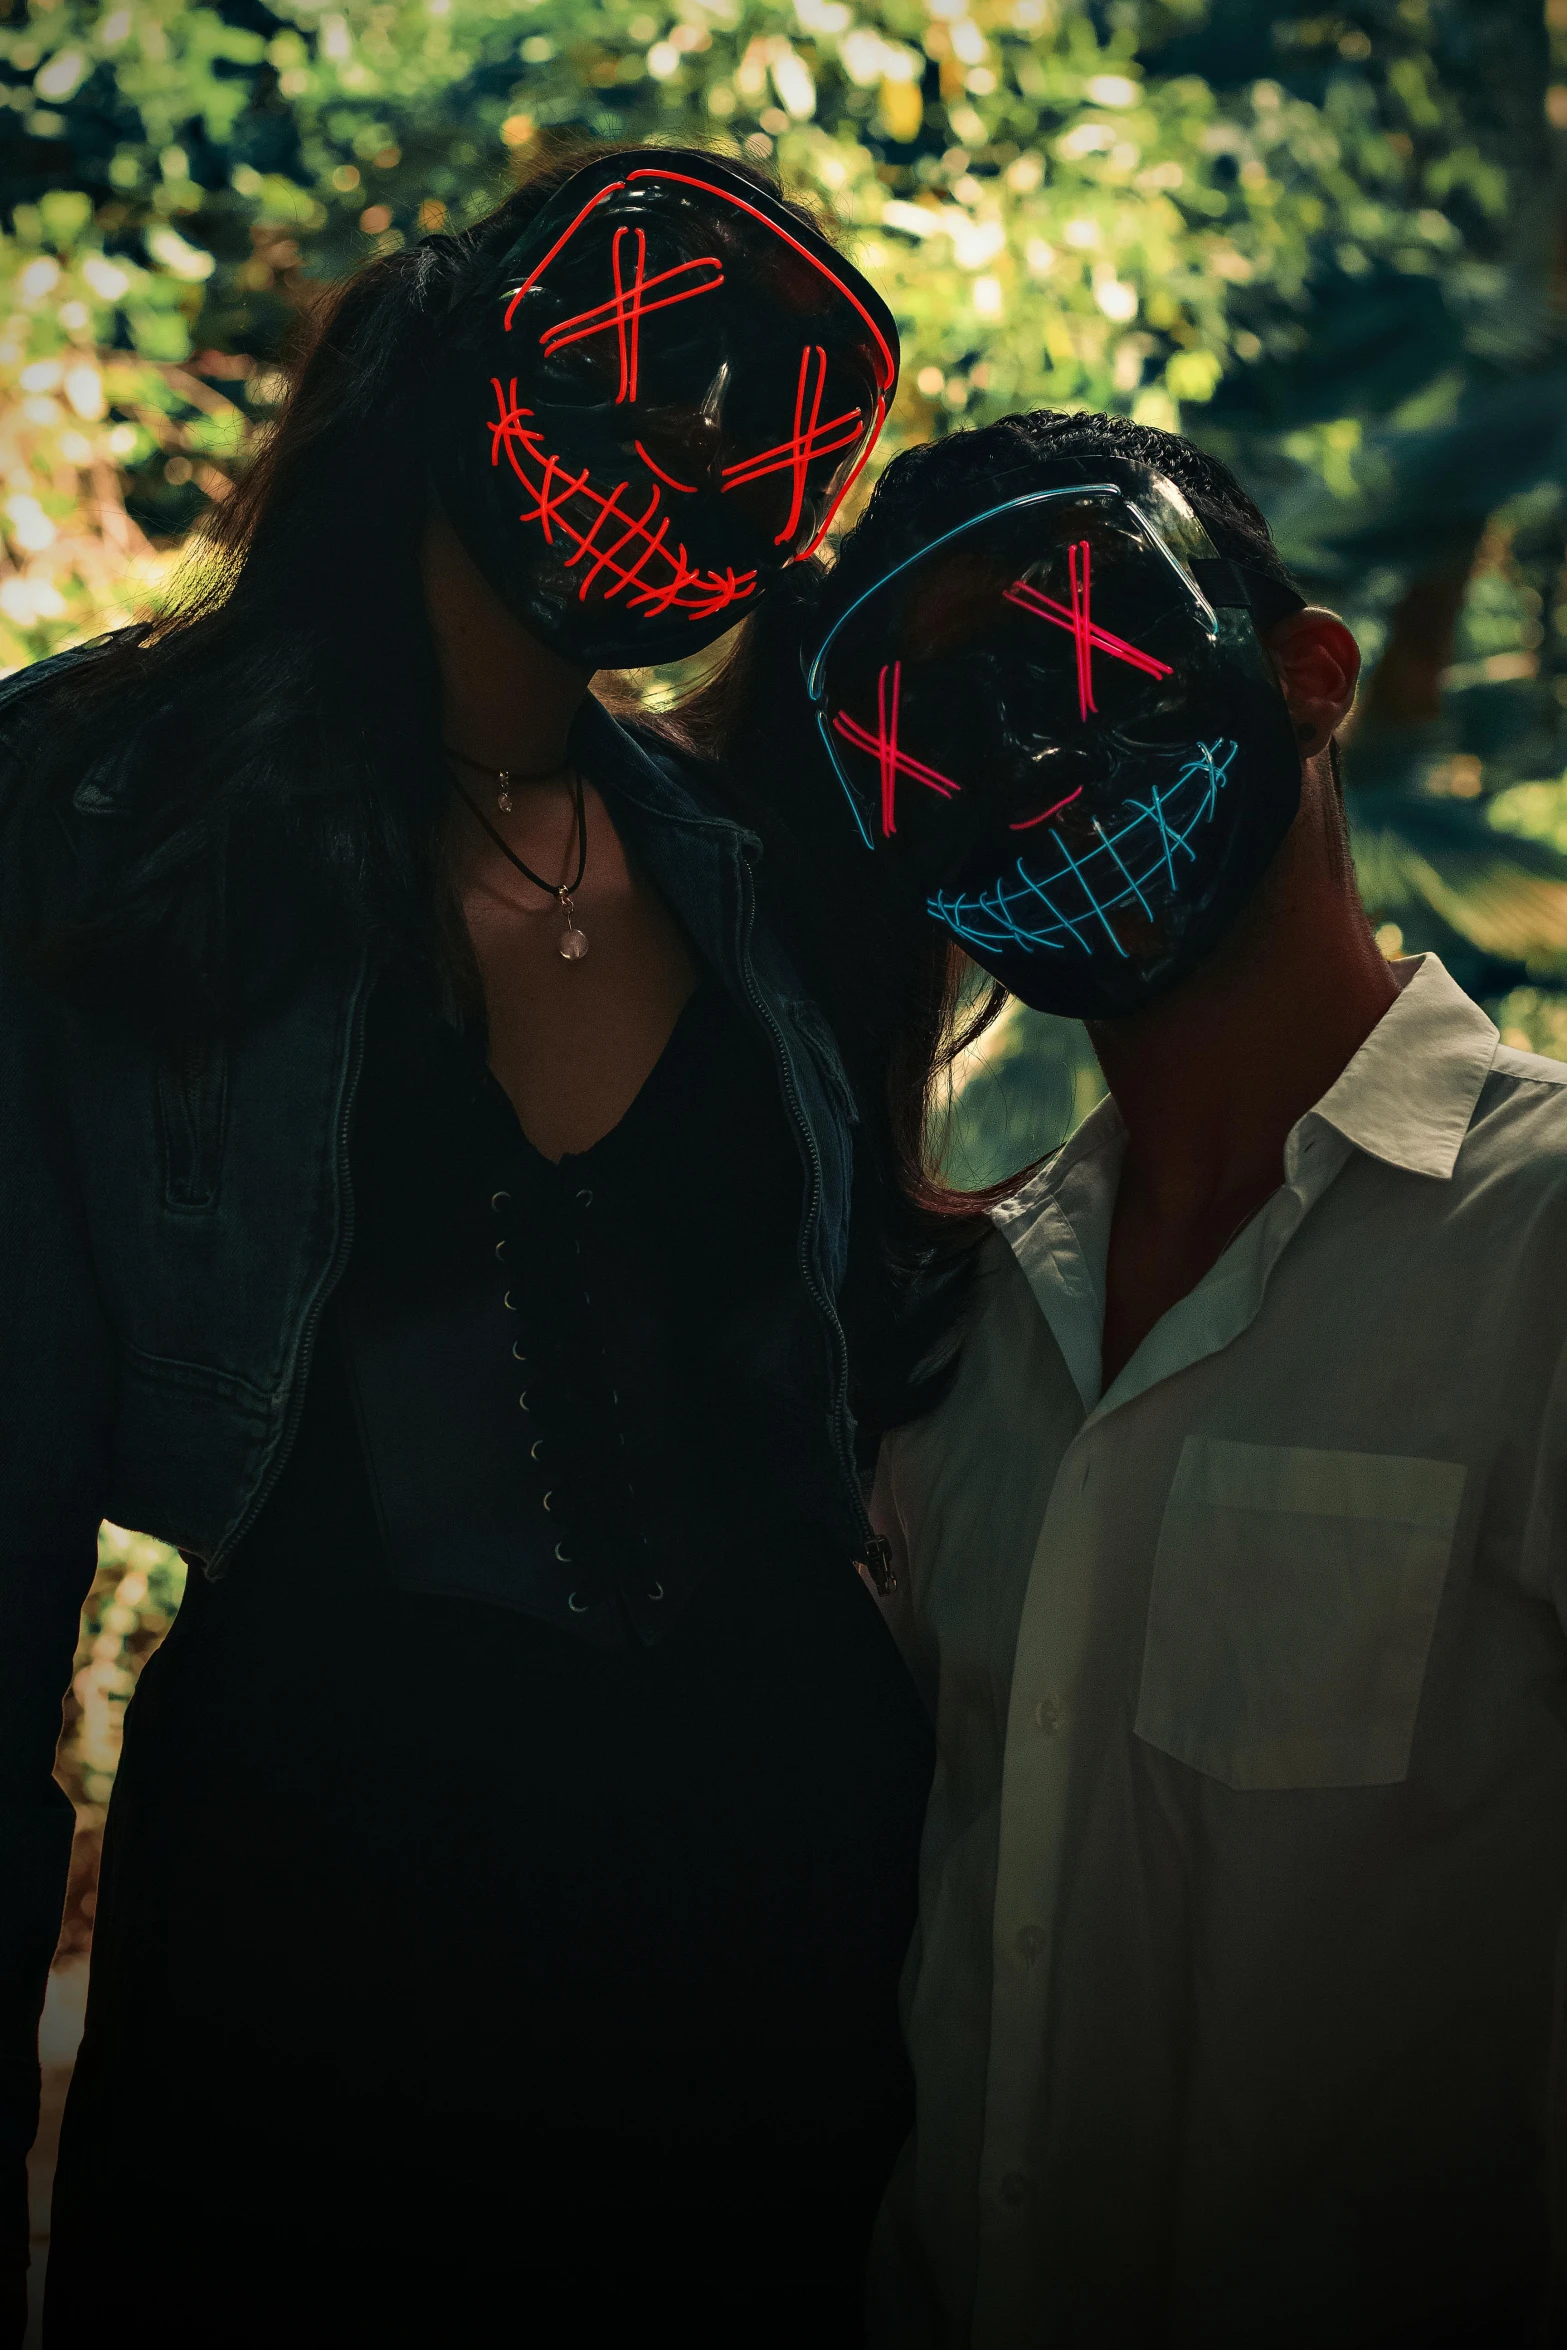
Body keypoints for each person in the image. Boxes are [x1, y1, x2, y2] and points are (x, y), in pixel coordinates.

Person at [0, 146, 984, 2349]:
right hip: (321, 1912)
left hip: (774, 1893)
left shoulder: (747, 862)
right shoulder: (111, 812)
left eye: (765, 437)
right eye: (648, 382)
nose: (696, 466)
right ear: (473, 362)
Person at [799, 408, 1567, 2346]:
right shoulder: (963, 1340)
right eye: (936, 727)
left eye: (1081, 654)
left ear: (1311, 679)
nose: (1031, 757)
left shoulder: (1538, 1257)